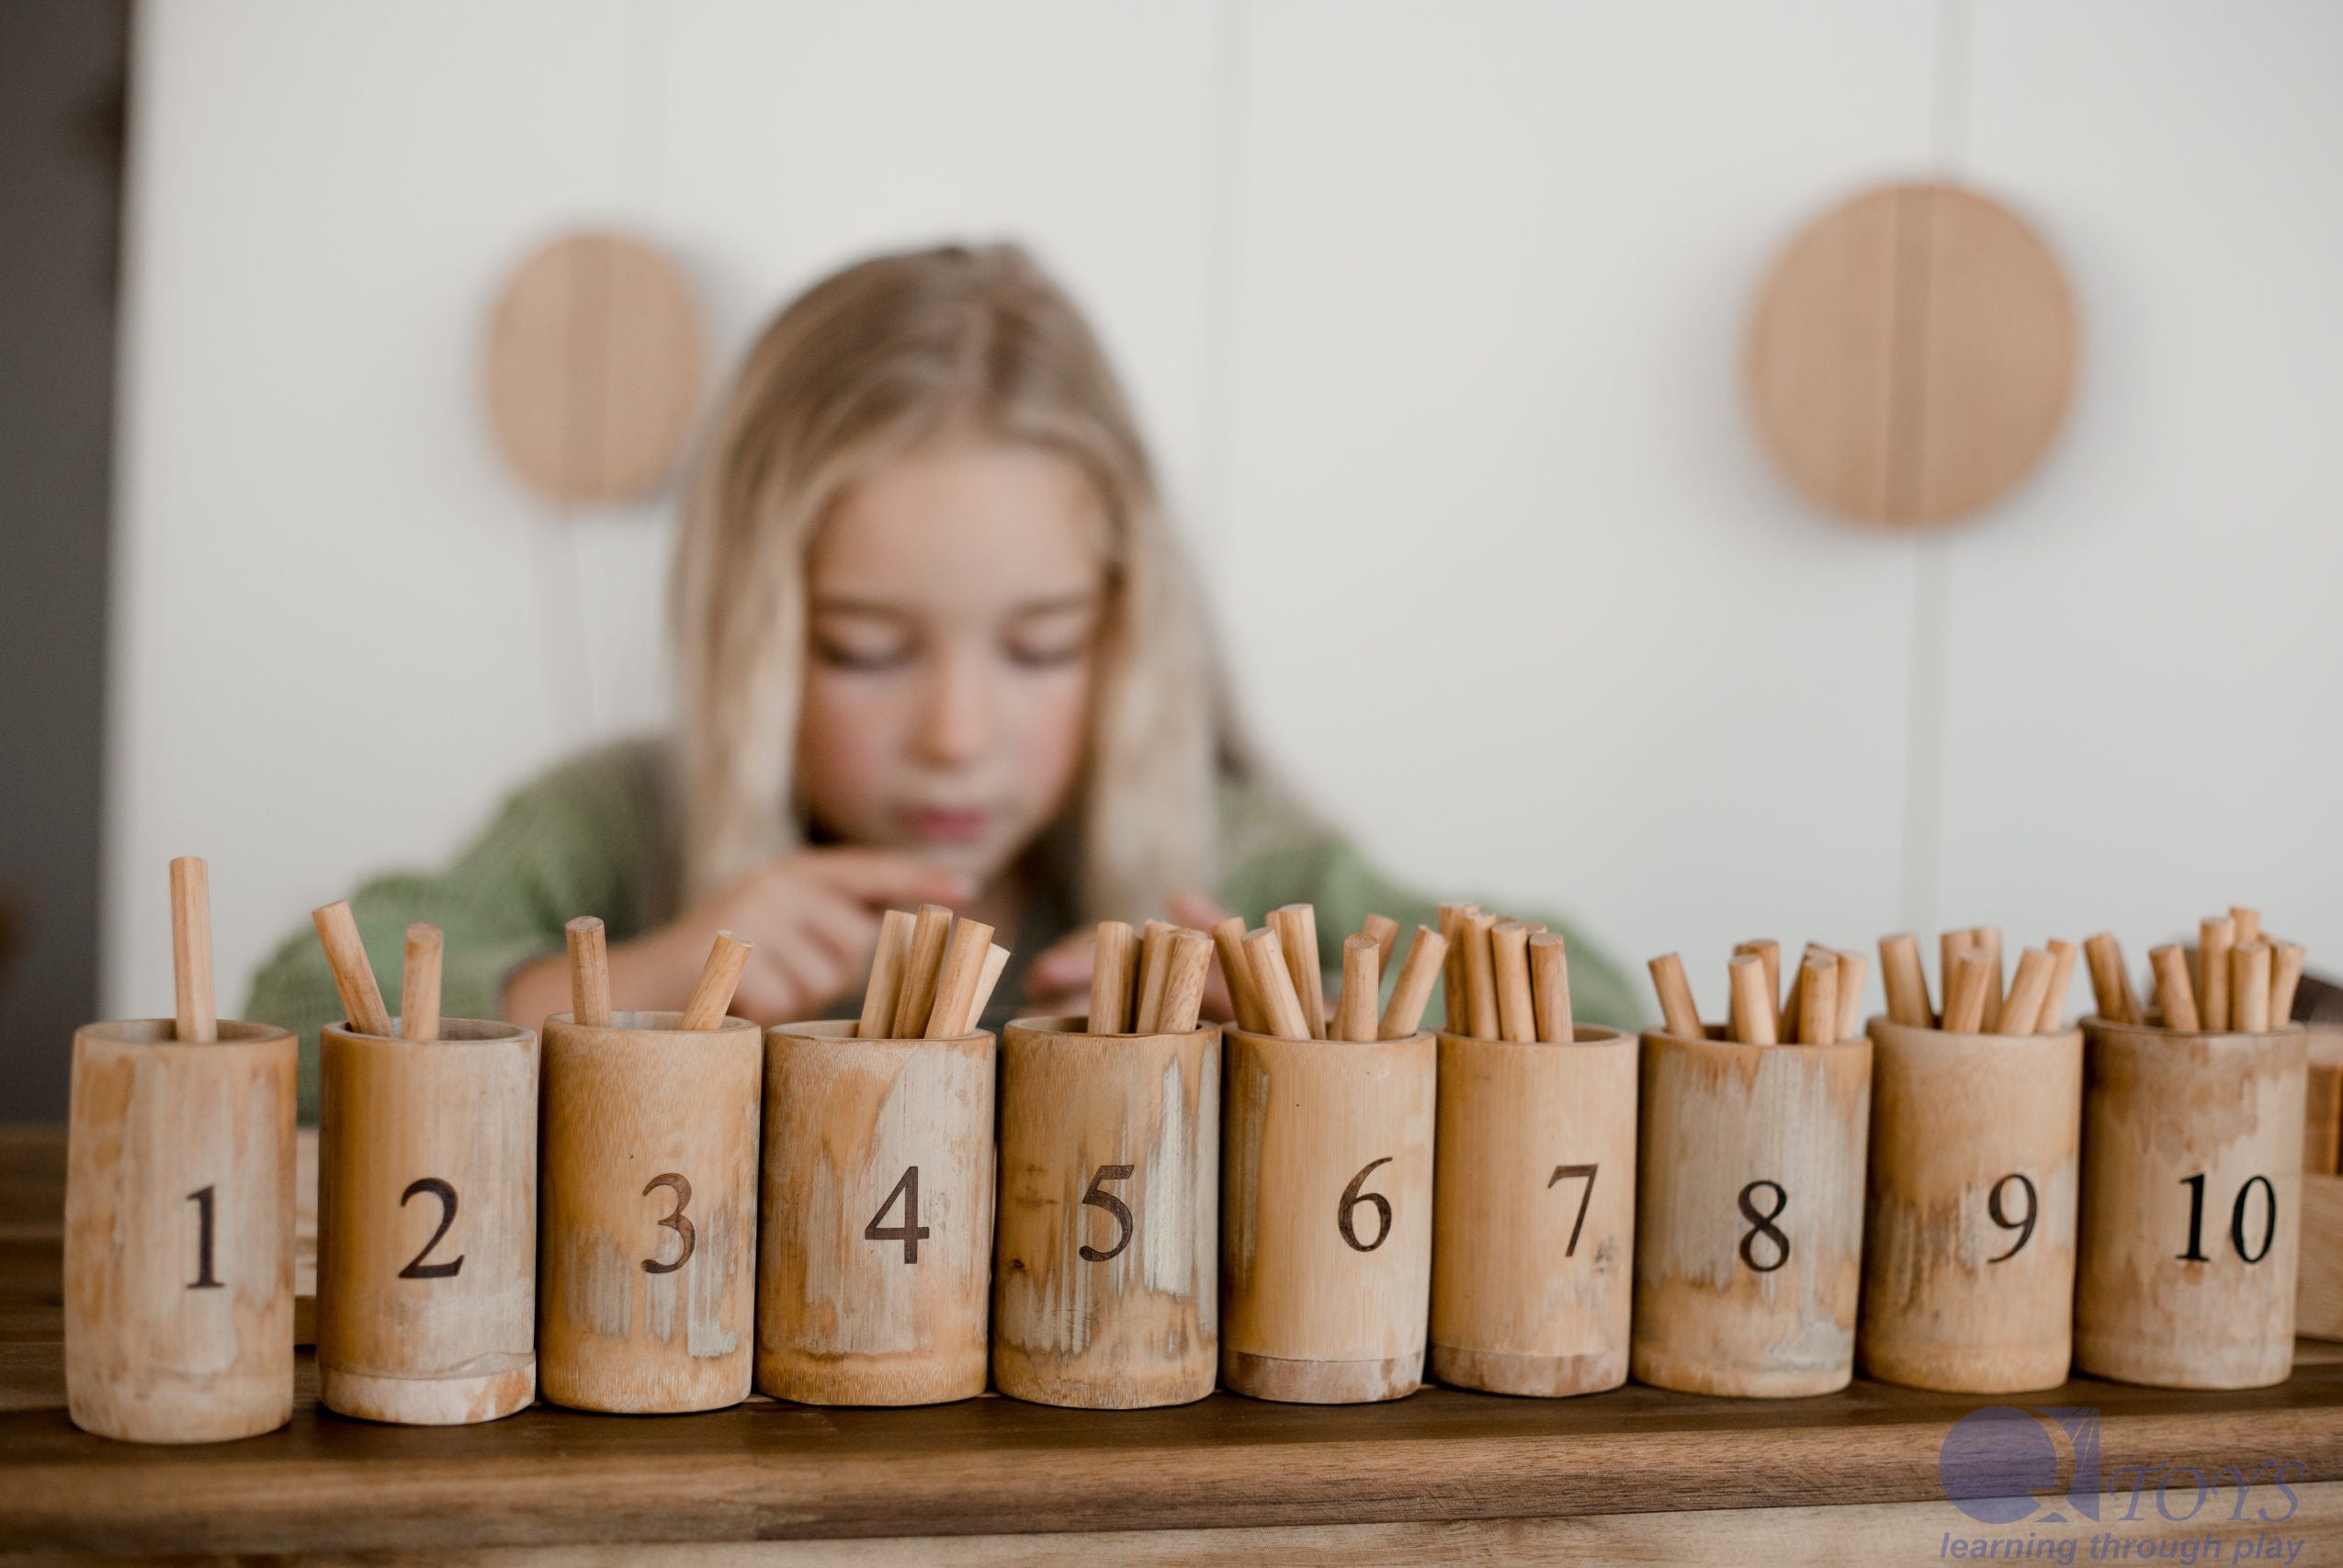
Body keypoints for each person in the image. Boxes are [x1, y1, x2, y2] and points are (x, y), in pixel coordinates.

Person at [247, 243, 1636, 1117]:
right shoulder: (614, 829)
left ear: (1128, 631)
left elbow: (1600, 1004)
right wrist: (635, 986)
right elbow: (293, 1009)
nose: (958, 738)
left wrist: (1319, 1018)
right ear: (749, 636)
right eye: (865, 649)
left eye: (1040, 648)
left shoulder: (1239, 864)